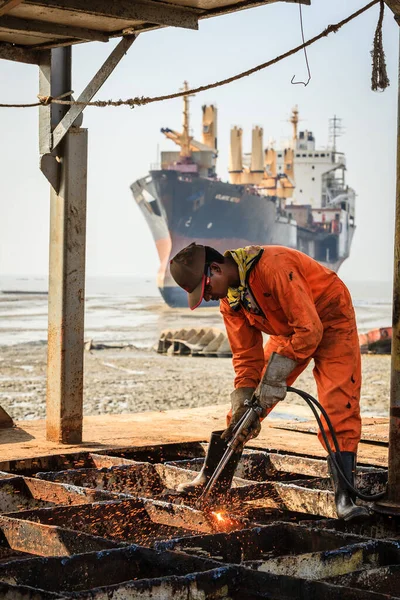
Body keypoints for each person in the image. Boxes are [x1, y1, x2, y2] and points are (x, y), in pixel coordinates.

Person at [169, 242, 369, 521]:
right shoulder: (231, 300)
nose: (209, 297)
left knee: (339, 403)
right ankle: (213, 477)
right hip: (290, 329)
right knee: (246, 408)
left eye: (206, 290)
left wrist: (273, 379)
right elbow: (245, 356)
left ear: (215, 269)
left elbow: (310, 331)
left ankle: (346, 498)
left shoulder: (274, 267)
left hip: (330, 317)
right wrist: (245, 396)